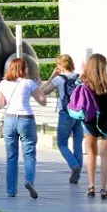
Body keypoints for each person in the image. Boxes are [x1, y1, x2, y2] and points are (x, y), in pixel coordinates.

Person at [0, 57, 44, 199]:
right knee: (29, 154)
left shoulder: (3, 83)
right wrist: (39, 86)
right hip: (26, 119)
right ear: (23, 69)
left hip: (10, 119)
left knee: (11, 157)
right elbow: (42, 101)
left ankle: (11, 190)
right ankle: (29, 181)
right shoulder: (29, 83)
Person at [79, 54, 107, 200]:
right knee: (105, 155)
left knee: (91, 153)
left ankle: (91, 186)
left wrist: (83, 72)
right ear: (104, 65)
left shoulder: (85, 81)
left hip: (90, 121)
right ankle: (104, 189)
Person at [45, 54, 85, 185]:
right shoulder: (80, 78)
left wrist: (52, 76)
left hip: (65, 114)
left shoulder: (59, 79)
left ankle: (74, 165)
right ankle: (76, 176)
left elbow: (44, 91)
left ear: (60, 66)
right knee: (78, 145)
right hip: (79, 114)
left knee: (61, 143)